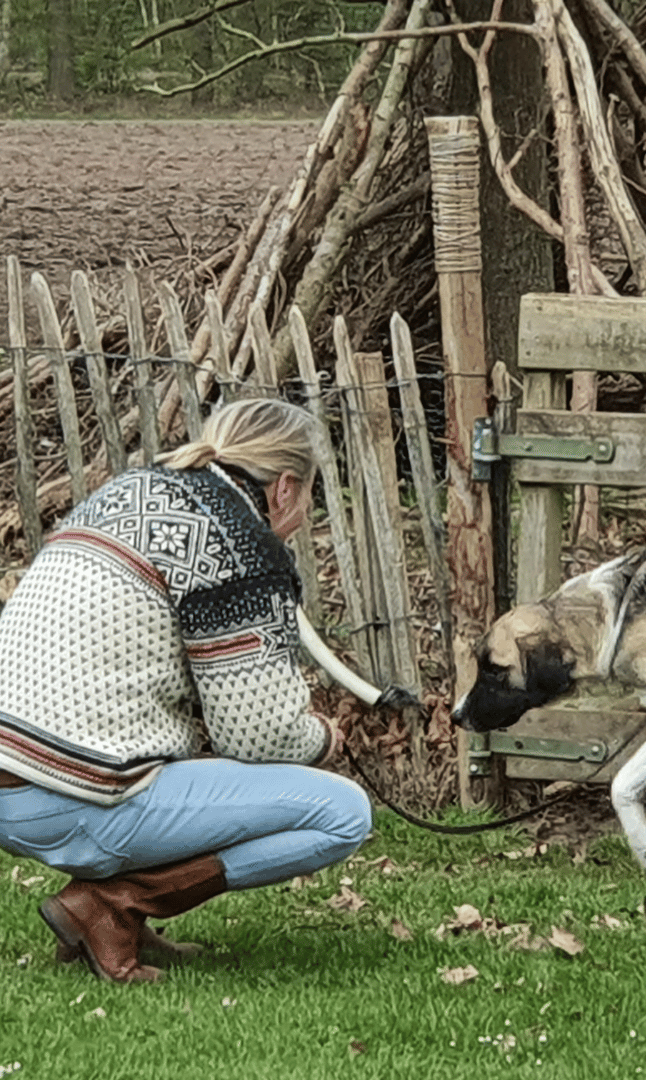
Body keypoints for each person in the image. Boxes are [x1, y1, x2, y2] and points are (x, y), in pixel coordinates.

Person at [0, 397, 372, 984]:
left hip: (14, 786)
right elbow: (258, 736)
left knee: (180, 771)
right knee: (343, 814)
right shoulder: (239, 540)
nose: (304, 514)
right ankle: (114, 905)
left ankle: (112, 907)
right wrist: (323, 738)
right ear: (285, 488)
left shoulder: (133, 491)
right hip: (75, 794)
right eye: (309, 495)